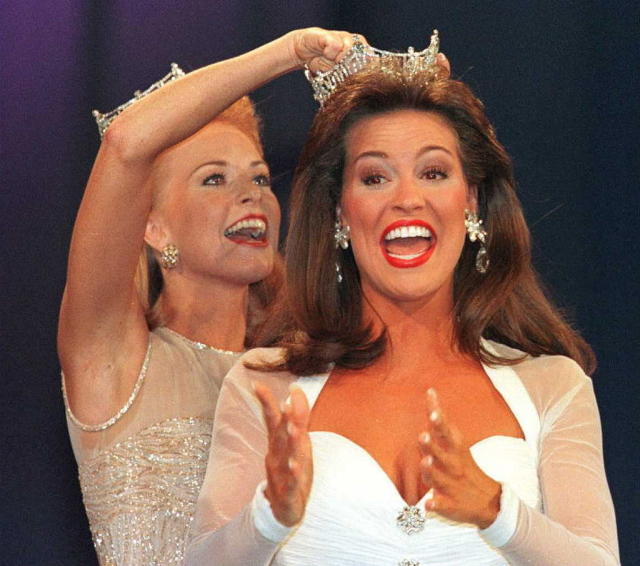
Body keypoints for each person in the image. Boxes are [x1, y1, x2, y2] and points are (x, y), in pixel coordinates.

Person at [186, 36, 620, 566]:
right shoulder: (266, 385)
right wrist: (269, 516)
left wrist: (497, 511)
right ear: (340, 214)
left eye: (434, 172)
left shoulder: (551, 386)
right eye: (374, 177)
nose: (407, 198)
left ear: (473, 202)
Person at [58, 28, 363, 566]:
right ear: (152, 228)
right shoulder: (112, 359)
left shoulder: (306, 371)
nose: (253, 195)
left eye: (261, 178)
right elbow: (127, 144)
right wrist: (286, 53)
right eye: (213, 180)